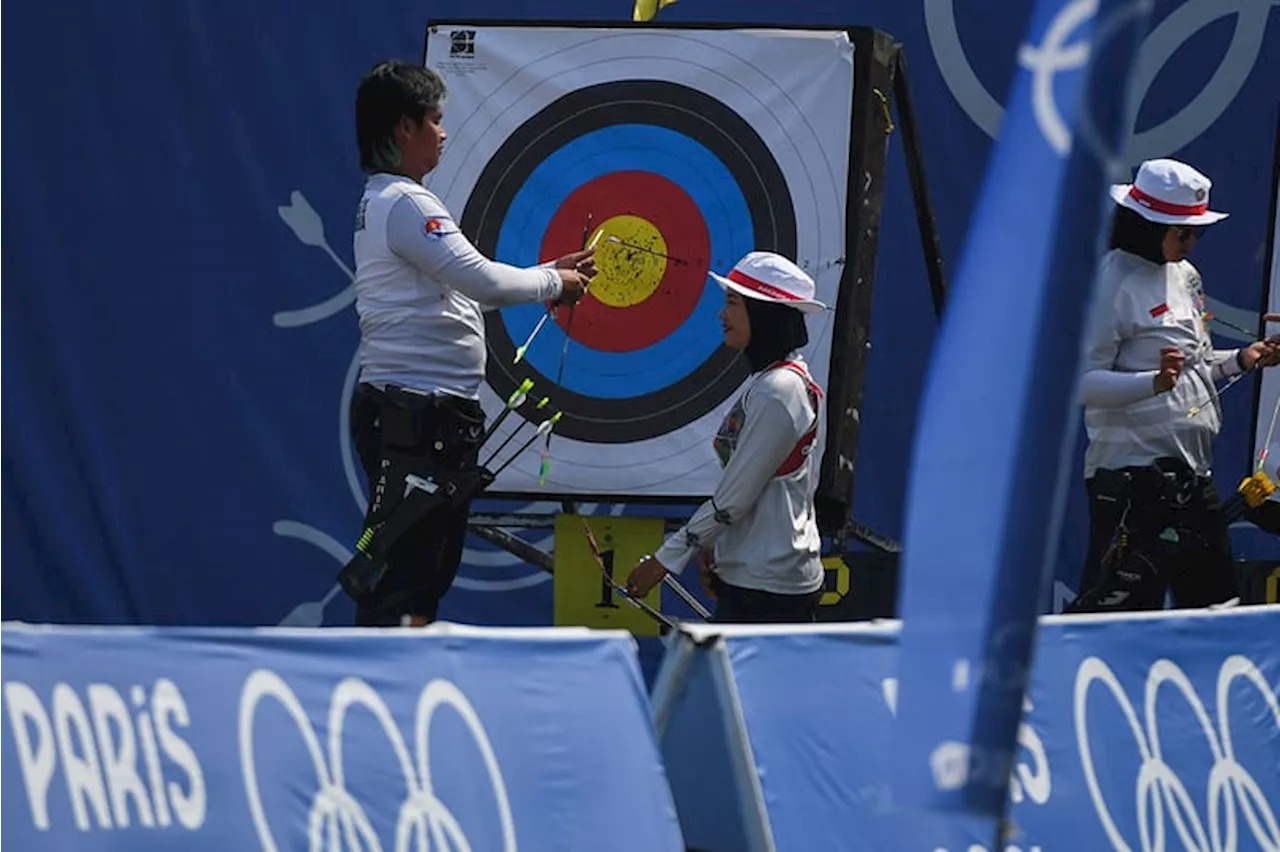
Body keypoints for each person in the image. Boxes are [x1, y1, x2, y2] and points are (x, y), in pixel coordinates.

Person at [346, 60, 596, 626]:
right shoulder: (407, 203)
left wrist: (545, 272)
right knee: (410, 574)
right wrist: (555, 282)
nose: (443, 132)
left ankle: (390, 683)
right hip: (418, 415)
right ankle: (387, 691)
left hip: (417, 413)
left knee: (417, 569)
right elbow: (480, 280)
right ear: (403, 128)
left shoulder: (387, 201)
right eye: (434, 120)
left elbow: (454, 296)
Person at [1068, 158, 1280, 613]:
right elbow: (1079, 384)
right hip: (1131, 481)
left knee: (1217, 608)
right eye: (1183, 232)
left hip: (1190, 477)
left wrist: (1243, 359)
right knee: (1116, 612)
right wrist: (1153, 382)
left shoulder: (1184, 276)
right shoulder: (1110, 282)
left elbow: (1195, 366)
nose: (1192, 241)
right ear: (1147, 226)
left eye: (1197, 233)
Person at [624, 251, 829, 623]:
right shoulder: (774, 382)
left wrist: (665, 560)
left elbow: (733, 498)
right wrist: (717, 545)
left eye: (733, 303)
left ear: (764, 314)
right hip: (759, 575)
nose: (722, 315)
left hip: (769, 586)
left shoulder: (780, 388)